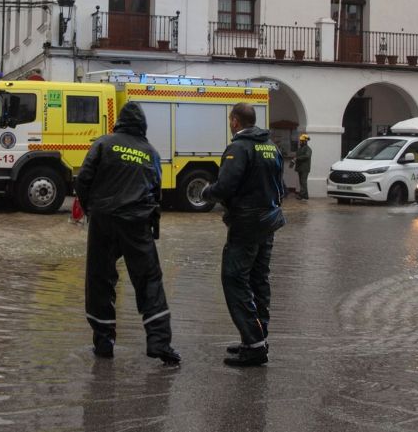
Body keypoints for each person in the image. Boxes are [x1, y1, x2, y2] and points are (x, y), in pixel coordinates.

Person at [74, 102, 180, 366]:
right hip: (137, 222)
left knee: (99, 279)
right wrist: (151, 221)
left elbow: (83, 180)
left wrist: (92, 210)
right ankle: (159, 342)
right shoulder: (151, 153)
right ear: (143, 125)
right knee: (149, 281)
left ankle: (104, 342)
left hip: (104, 219)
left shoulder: (103, 143)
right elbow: (157, 193)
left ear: (119, 122)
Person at [202, 102, 287, 367]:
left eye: (230, 120)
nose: (230, 124)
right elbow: (281, 188)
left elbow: (226, 186)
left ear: (236, 121)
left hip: (246, 225)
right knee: (258, 280)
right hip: (268, 222)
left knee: (234, 279)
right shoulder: (270, 147)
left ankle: (253, 344)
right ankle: (258, 339)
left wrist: (207, 192)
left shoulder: (238, 148)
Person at [293, 133, 312, 200]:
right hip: (300, 168)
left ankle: (302, 195)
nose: (300, 142)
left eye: (301, 141)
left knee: (303, 182)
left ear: (304, 141)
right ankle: (305, 196)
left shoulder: (308, 149)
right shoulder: (300, 148)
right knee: (301, 182)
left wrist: (297, 158)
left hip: (304, 168)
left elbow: (307, 156)